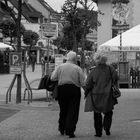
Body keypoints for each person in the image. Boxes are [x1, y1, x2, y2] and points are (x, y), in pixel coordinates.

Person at [51, 51, 85, 138]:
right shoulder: (77, 68)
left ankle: (62, 128)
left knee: (63, 109)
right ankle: (70, 130)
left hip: (62, 90)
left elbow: (53, 78)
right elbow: (82, 82)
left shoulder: (60, 67)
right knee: (73, 110)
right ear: (75, 59)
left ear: (67, 58)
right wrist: (86, 91)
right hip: (74, 90)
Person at [84, 51, 119, 137]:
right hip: (108, 94)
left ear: (96, 60)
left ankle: (98, 132)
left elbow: (88, 83)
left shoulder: (93, 71)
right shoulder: (111, 69)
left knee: (97, 114)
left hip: (96, 95)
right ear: (105, 59)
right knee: (108, 112)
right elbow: (116, 78)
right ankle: (107, 127)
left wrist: (86, 91)